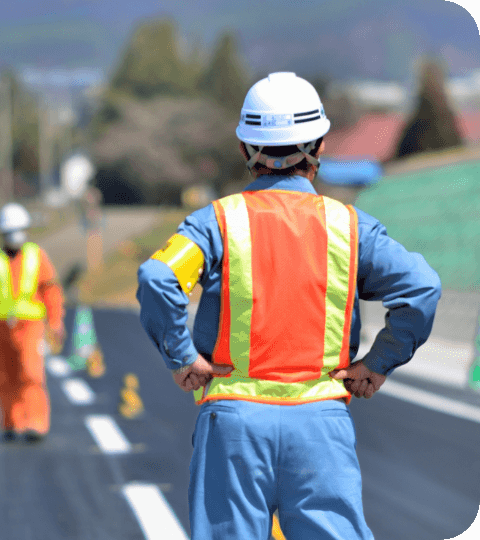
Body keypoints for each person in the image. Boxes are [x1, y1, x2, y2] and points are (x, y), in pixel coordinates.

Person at [137, 72, 442, 539]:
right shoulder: (350, 226)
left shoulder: (216, 222)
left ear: (246, 150)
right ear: (318, 147)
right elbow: (421, 287)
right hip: (321, 423)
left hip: (234, 423)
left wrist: (182, 357)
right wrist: (377, 364)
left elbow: (158, 277)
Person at [0, 203, 65, 443]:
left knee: (31, 373)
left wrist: (55, 321)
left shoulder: (37, 256)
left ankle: (35, 422)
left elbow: (50, 290)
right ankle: (11, 422)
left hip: (30, 326)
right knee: (4, 374)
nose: (15, 236)